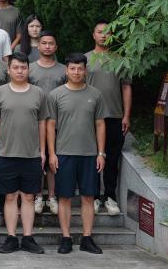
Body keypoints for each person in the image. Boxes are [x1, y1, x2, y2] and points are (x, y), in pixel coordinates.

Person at [48, 53, 106, 255]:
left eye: (80, 68)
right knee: (64, 197)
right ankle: (66, 238)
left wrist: (101, 153)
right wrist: (52, 153)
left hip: (89, 154)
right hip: (64, 153)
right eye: (72, 68)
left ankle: (87, 238)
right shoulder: (55, 95)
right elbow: (50, 125)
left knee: (88, 197)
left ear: (85, 71)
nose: (76, 72)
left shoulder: (96, 95)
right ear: (66, 70)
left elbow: (100, 124)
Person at [0, 53, 49, 254]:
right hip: (6, 153)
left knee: (28, 197)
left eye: (23, 67)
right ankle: (11, 237)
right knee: (9, 197)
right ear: (8, 70)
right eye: (15, 67)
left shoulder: (38, 93)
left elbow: (42, 122)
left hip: (31, 154)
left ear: (28, 70)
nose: (19, 71)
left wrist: (42, 151)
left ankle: (28, 237)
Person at [86, 21, 131, 217]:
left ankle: (110, 197)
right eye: (99, 32)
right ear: (93, 35)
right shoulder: (85, 59)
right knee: (91, 159)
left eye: (107, 32)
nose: (103, 35)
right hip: (90, 117)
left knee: (112, 159)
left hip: (114, 115)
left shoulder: (120, 59)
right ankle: (94, 197)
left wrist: (126, 115)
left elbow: (126, 87)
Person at [29, 31, 67, 214]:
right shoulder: (29, 68)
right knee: (37, 159)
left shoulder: (64, 69)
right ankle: (37, 196)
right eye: (43, 43)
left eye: (51, 43)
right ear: (38, 45)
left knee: (53, 159)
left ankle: (51, 196)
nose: (47, 46)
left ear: (56, 47)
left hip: (57, 121)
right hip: (34, 121)